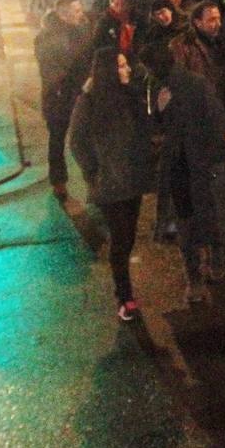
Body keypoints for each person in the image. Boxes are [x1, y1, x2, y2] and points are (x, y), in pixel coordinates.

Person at [144, 41, 225, 305]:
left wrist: (214, 152)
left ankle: (210, 263)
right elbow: (157, 128)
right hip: (182, 166)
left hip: (199, 164)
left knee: (204, 217)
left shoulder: (195, 84)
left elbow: (216, 120)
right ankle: (196, 274)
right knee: (189, 221)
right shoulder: (158, 88)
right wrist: (160, 110)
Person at [69, 47, 155, 321]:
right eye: (121, 66)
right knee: (120, 239)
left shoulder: (131, 95)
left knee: (128, 236)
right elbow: (77, 142)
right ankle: (125, 296)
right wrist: (93, 173)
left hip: (131, 178)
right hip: (108, 184)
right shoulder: (89, 101)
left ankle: (125, 290)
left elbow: (146, 130)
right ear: (107, 70)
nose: (127, 70)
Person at [34, 0, 90, 200]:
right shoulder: (46, 37)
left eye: (80, 9)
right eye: (76, 11)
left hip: (81, 94)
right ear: (63, 14)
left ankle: (92, 178)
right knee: (57, 139)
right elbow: (52, 73)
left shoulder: (82, 28)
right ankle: (58, 181)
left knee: (87, 138)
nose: (80, 14)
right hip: (59, 98)